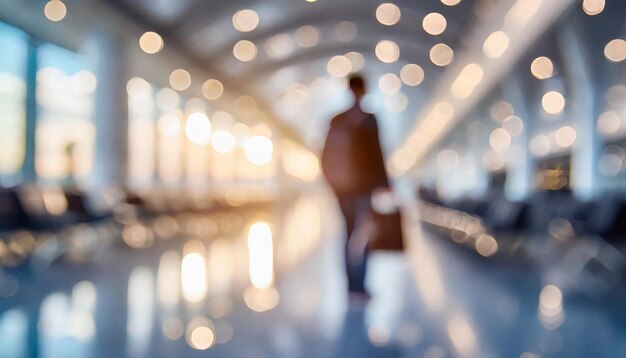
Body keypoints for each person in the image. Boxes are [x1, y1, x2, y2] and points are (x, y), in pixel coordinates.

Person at [321, 74, 390, 298]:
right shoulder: (369, 119)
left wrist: (333, 185)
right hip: (363, 187)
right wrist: (385, 183)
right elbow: (377, 154)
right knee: (363, 234)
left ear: (349, 89)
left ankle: (350, 286)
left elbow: (324, 156)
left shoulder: (337, 119)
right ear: (364, 90)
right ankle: (359, 285)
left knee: (348, 233)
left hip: (342, 189)